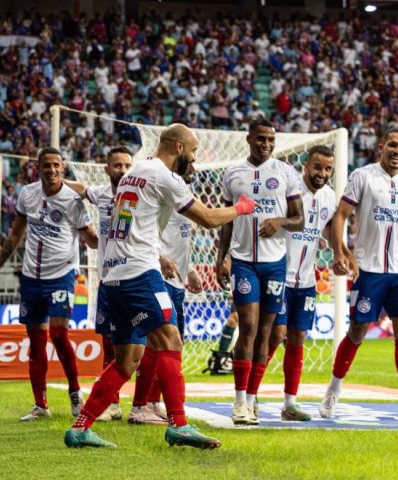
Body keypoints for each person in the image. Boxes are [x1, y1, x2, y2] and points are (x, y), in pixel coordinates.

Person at [63, 124, 255, 448]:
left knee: (127, 360)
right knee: (171, 339)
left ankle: (80, 427)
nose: (193, 158)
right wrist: (240, 208)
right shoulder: (164, 176)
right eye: (192, 152)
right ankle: (179, 424)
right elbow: (207, 218)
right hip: (139, 272)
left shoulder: (135, 172)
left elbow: (135, 223)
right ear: (178, 146)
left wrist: (161, 255)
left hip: (113, 275)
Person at [319, 128, 398, 419]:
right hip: (368, 269)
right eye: (392, 145)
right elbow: (341, 215)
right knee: (357, 331)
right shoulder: (363, 176)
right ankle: (332, 392)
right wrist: (340, 251)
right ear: (381, 147)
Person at [0, 147, 99, 422]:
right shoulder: (27, 194)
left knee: (59, 335)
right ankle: (40, 405)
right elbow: (15, 236)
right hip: (31, 278)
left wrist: (108, 238)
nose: (52, 170)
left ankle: (74, 394)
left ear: (63, 168)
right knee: (35, 344)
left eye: (57, 165)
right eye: (47, 165)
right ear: (39, 168)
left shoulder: (73, 201)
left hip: (61, 275)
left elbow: (90, 238)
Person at [216, 118, 305, 425]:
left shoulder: (286, 173)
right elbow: (227, 221)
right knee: (249, 326)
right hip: (243, 261)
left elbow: (300, 220)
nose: (266, 144)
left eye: (271, 139)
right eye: (261, 138)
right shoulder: (232, 173)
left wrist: (279, 221)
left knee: (266, 332)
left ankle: (253, 400)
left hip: (276, 264)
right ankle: (239, 401)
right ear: (249, 138)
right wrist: (221, 257)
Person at [264, 145, 350, 421]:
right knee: (275, 335)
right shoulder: (291, 192)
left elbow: (330, 231)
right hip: (279, 276)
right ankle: (249, 396)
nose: (322, 173)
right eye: (317, 167)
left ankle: (290, 403)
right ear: (306, 166)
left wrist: (342, 255)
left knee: (298, 337)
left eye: (327, 169)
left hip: (306, 280)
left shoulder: (329, 197)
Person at [63, 145, 134, 422]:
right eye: (117, 166)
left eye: (127, 165)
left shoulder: (141, 195)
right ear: (107, 169)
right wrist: (59, 181)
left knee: (144, 345)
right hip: (107, 280)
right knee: (109, 342)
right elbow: (82, 189)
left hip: (136, 277)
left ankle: (145, 403)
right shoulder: (102, 194)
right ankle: (112, 404)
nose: (123, 170)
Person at [128, 169, 204, 425]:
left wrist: (190, 270)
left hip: (177, 281)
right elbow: (148, 235)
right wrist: (159, 260)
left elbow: (180, 241)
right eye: (190, 162)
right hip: (159, 278)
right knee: (159, 343)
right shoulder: (163, 195)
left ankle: (152, 403)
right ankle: (141, 405)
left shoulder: (183, 196)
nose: (193, 168)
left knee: (169, 344)